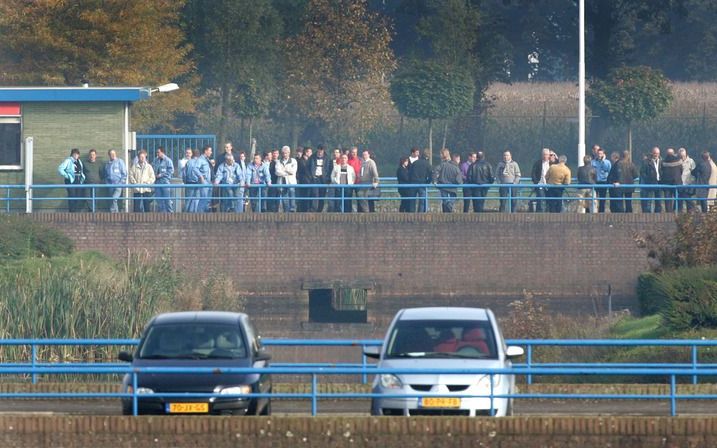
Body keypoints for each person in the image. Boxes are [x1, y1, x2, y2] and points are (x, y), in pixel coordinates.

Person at [432, 149, 463, 213]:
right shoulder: (455, 166)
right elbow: (458, 177)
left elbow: (435, 171)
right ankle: (450, 209)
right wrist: (459, 182)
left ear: (443, 155)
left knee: (445, 201)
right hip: (453, 186)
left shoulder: (441, 165)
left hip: (443, 186)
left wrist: (435, 181)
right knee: (452, 200)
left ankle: (446, 213)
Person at [57, 148, 85, 212]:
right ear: (72, 154)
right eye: (74, 154)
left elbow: (81, 170)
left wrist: (82, 177)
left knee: (77, 196)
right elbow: (60, 168)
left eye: (77, 154)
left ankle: (75, 210)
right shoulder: (68, 160)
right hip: (71, 180)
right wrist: (67, 176)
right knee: (72, 195)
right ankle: (72, 211)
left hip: (78, 180)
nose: (76, 155)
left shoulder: (79, 161)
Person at [307, 146, 331, 212]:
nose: (320, 152)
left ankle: (320, 210)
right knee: (315, 194)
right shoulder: (312, 157)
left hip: (323, 179)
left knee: (322, 195)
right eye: (319, 151)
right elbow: (308, 168)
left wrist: (327, 179)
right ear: (317, 150)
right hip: (314, 178)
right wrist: (311, 176)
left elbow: (329, 169)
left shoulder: (327, 158)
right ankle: (314, 210)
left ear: (323, 151)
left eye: (321, 151)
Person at [640, 147, 663, 213]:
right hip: (650, 183)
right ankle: (648, 214)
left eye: (658, 153)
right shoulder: (646, 162)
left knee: (658, 200)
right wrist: (647, 179)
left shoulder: (661, 161)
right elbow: (642, 172)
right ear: (652, 153)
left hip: (659, 182)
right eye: (655, 153)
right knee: (648, 200)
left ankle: (658, 214)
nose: (656, 155)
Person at [275, 146, 297, 212]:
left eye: (286, 153)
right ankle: (286, 212)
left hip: (291, 182)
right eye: (283, 153)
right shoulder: (278, 162)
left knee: (292, 194)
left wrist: (283, 170)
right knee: (285, 198)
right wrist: (287, 172)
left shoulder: (293, 161)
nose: (285, 154)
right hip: (282, 183)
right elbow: (277, 172)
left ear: (289, 153)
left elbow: (293, 171)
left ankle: (292, 209)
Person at [152, 146, 174, 213]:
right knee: (159, 199)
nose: (157, 154)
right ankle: (162, 214)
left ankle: (170, 213)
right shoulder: (155, 160)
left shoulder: (168, 160)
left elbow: (171, 170)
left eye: (158, 152)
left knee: (167, 198)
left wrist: (161, 175)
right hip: (157, 182)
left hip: (165, 182)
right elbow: (152, 168)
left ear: (162, 152)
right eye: (157, 152)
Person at [530, 148, 552, 212]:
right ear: (542, 155)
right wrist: (536, 182)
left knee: (549, 200)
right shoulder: (538, 163)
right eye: (544, 154)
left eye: (547, 154)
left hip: (549, 185)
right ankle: (540, 214)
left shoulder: (552, 164)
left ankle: (548, 213)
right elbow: (533, 173)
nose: (545, 156)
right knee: (540, 199)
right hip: (540, 184)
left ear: (549, 155)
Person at [661, 148, 682, 213]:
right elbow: (681, 170)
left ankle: (668, 213)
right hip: (677, 182)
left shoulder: (663, 161)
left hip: (666, 183)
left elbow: (662, 171)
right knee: (678, 198)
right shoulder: (678, 160)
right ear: (673, 153)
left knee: (667, 199)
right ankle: (678, 212)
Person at [591, 147, 611, 212]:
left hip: (603, 182)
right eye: (598, 153)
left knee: (602, 199)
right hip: (595, 182)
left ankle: (601, 212)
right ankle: (594, 211)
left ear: (603, 154)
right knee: (594, 199)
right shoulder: (593, 162)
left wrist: (603, 161)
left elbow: (608, 170)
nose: (599, 155)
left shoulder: (607, 162)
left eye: (601, 153)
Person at [677, 147, 696, 212]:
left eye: (683, 156)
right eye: (680, 156)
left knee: (688, 201)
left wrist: (692, 182)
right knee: (679, 201)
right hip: (679, 184)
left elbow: (694, 172)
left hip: (688, 184)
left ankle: (690, 214)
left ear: (686, 154)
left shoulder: (691, 161)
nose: (682, 157)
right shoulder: (677, 161)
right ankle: (679, 215)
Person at [196, 145, 213, 213]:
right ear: (206, 151)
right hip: (204, 182)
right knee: (204, 198)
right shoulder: (200, 159)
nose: (211, 152)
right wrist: (201, 176)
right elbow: (195, 168)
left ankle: (205, 216)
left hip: (209, 182)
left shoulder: (207, 159)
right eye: (210, 151)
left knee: (208, 200)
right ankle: (199, 215)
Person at [296, 147, 313, 212]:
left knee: (309, 196)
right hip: (303, 181)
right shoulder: (300, 161)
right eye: (310, 152)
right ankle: (302, 210)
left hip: (310, 182)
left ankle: (307, 209)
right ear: (306, 152)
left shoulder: (311, 161)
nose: (311, 153)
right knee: (303, 196)